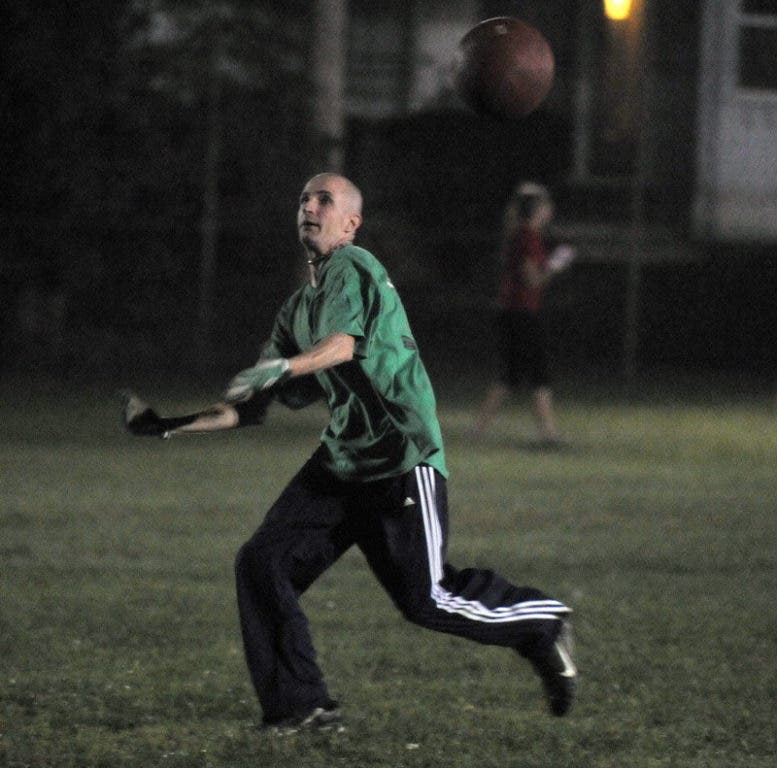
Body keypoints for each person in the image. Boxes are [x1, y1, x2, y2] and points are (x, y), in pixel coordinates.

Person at [121, 172, 576, 733]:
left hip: (400, 458)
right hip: (343, 462)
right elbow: (249, 407)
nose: (309, 206)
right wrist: (168, 425)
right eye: (303, 200)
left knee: (427, 600)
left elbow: (342, 346)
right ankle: (301, 706)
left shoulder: (354, 265)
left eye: (324, 200)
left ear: (350, 224)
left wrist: (282, 367)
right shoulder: (296, 309)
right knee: (262, 563)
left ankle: (544, 623)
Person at [470, 182, 575, 446]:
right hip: (521, 313)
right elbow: (532, 280)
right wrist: (556, 265)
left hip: (514, 312)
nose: (550, 210)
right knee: (537, 372)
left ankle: (477, 430)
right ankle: (548, 435)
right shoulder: (528, 237)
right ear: (537, 209)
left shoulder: (522, 234)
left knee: (512, 376)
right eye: (546, 206)